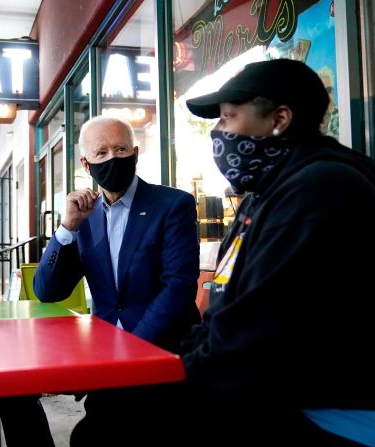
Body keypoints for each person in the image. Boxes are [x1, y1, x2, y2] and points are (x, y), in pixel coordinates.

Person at [72, 59, 375, 446]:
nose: (218, 132)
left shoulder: (319, 189)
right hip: (255, 378)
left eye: (228, 118)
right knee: (106, 416)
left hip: (321, 410)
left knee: (108, 428)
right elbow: (225, 319)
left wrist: (153, 375)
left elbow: (253, 334)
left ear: (279, 119)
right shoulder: (268, 193)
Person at [34, 114, 200, 350]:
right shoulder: (84, 217)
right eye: (101, 152)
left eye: (120, 149)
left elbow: (178, 287)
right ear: (85, 164)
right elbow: (47, 291)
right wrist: (67, 228)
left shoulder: (173, 205)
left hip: (164, 350)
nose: (112, 157)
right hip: (106, 350)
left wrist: (135, 347)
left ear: (135, 153)